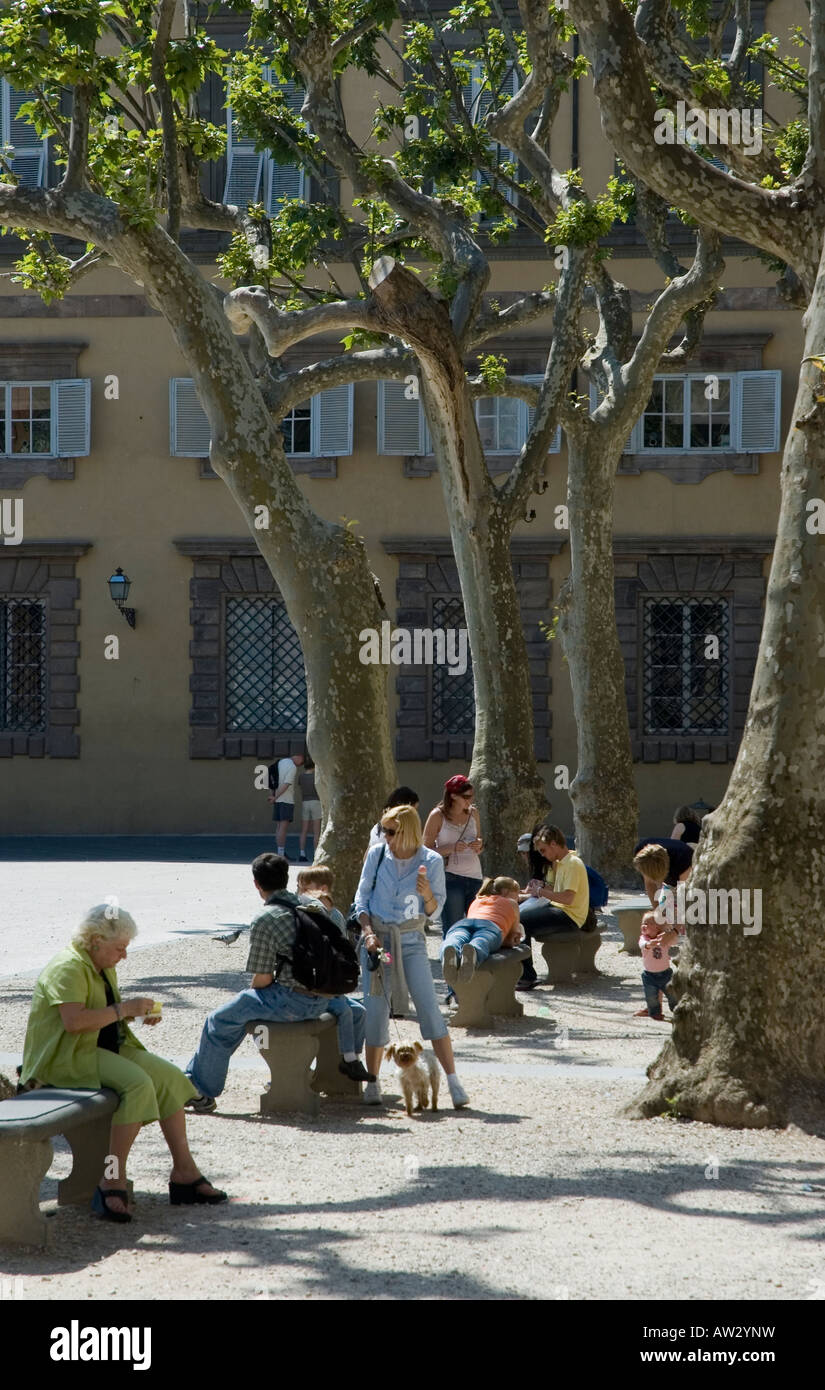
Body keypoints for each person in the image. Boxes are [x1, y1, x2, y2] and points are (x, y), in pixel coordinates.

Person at [20, 904, 226, 1223]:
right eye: (120, 948)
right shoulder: (69, 967)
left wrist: (134, 1011)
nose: (124, 956)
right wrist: (123, 1008)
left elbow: (107, 1014)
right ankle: (111, 1180)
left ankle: (185, 1172)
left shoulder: (100, 961)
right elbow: (74, 1022)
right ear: (96, 940)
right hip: (64, 1059)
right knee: (137, 1083)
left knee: (170, 1077)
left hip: (98, 1047)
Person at [185, 853, 372, 1111]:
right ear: (286, 879)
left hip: (290, 1001)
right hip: (324, 998)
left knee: (220, 1020)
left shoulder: (265, 918)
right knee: (241, 1011)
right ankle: (195, 1082)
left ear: (256, 884)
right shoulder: (313, 906)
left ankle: (201, 1090)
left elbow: (262, 980)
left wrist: (249, 1002)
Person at [353, 804, 469, 1109]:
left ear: (406, 831)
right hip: (376, 940)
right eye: (384, 831)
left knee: (429, 1008)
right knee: (376, 1011)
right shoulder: (377, 856)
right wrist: (367, 933)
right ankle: (373, 1081)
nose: (386, 836)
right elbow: (361, 898)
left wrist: (427, 892)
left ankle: (454, 1082)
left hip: (411, 939)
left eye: (391, 831)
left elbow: (436, 909)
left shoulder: (429, 860)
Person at [516, 825, 590, 990]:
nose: (542, 855)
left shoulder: (572, 863)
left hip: (569, 916)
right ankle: (524, 974)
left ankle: (527, 977)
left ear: (554, 844)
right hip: (560, 910)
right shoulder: (562, 863)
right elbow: (559, 893)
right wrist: (542, 888)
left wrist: (541, 891)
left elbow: (568, 898)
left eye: (543, 850)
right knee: (517, 916)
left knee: (520, 921)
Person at [422, 775, 484, 935]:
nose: (470, 800)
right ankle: (451, 959)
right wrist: (451, 847)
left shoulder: (473, 813)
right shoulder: (437, 816)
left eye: (472, 796)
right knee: (453, 928)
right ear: (453, 796)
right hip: (451, 878)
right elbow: (425, 851)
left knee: (477, 927)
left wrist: (479, 845)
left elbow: (478, 840)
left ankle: (472, 958)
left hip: (475, 877)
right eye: (466, 797)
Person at [441, 876, 522, 980]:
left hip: (463, 923)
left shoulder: (478, 899)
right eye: (517, 893)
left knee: (458, 937)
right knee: (482, 939)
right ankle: (474, 952)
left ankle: (450, 948)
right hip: (491, 926)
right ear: (505, 891)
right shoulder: (512, 903)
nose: (518, 898)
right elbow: (514, 935)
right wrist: (510, 941)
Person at [633, 838, 693, 905]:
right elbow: (649, 884)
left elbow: (685, 891)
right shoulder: (642, 854)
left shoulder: (683, 859)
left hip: (683, 863)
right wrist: (656, 909)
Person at [268, 751, 305, 857]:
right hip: (286, 800)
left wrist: (272, 795)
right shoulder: (292, 767)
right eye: (301, 762)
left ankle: (280, 851)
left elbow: (270, 779)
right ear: (299, 756)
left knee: (279, 826)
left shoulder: (279, 762)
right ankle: (281, 853)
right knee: (283, 827)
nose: (300, 764)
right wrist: (276, 797)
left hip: (277, 800)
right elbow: (286, 784)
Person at [296, 864, 347, 934]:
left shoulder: (334, 917)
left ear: (323, 889)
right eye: (299, 888)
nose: (300, 894)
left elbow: (341, 942)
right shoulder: (301, 911)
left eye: (305, 890)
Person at [297, 756, 321, 863]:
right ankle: (316, 854)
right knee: (316, 831)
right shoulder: (316, 776)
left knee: (304, 830)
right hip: (316, 802)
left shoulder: (301, 776)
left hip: (305, 802)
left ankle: (302, 853)